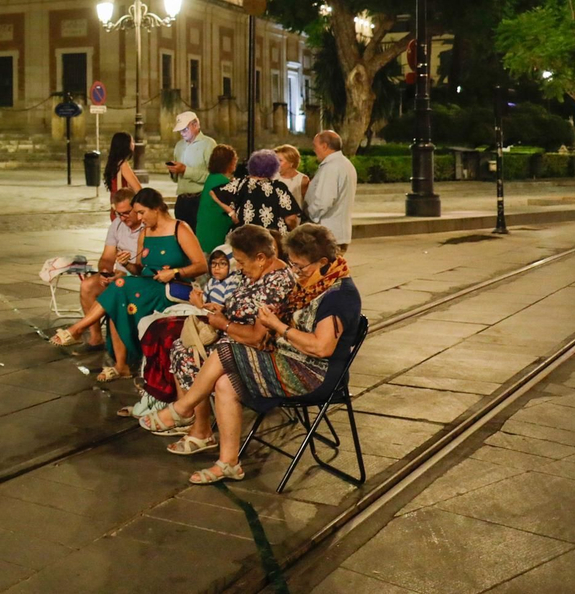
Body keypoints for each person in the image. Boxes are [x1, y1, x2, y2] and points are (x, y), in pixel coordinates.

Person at [149, 224, 357, 485]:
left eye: (300, 267)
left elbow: (321, 348)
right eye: (292, 264)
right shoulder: (313, 283)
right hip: (291, 360)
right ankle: (229, 463)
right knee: (225, 382)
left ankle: (182, 409)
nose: (294, 272)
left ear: (323, 262)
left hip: (316, 374)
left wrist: (277, 326)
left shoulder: (338, 295)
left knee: (226, 347)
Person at [51, 188, 206, 382]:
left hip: (171, 288)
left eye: (142, 212)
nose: (139, 218)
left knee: (121, 287)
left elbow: (201, 265)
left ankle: (78, 329)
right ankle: (121, 365)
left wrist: (175, 271)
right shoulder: (146, 233)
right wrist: (125, 263)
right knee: (119, 294)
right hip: (147, 285)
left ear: (156, 208)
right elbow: (139, 270)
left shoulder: (180, 228)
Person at [75, 186, 145, 347]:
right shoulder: (117, 225)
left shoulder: (146, 226)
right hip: (117, 275)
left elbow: (145, 265)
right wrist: (105, 272)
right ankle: (95, 338)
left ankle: (77, 329)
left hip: (136, 277)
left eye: (126, 213)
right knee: (88, 286)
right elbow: (107, 257)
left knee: (118, 289)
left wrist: (125, 272)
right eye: (118, 214)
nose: (122, 217)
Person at [211, 148, 300, 240]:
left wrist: (232, 213)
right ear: (274, 167)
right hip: (271, 239)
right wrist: (294, 231)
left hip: (244, 238)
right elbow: (291, 218)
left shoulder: (240, 183)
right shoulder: (278, 188)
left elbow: (214, 193)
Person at [305, 130, 358, 250]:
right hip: (338, 232)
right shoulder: (344, 164)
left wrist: (310, 216)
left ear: (324, 146)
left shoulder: (331, 167)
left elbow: (324, 201)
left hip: (328, 234)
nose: (314, 150)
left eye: (315, 146)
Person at [166, 111, 216, 229]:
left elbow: (212, 176)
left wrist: (185, 170)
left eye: (185, 129)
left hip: (200, 199)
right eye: (180, 131)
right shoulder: (179, 145)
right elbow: (176, 179)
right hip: (182, 199)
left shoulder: (208, 144)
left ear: (195, 125)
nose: (182, 133)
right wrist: (173, 171)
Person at [194, 145, 239, 252]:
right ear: (229, 162)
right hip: (216, 232)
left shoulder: (212, 178)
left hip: (204, 231)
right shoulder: (222, 182)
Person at [103, 133, 142, 220]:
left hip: (115, 209)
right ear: (125, 145)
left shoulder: (113, 163)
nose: (134, 144)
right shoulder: (123, 164)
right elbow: (138, 189)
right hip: (125, 212)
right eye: (132, 141)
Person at [274, 144, 310, 218]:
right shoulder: (272, 178)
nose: (276, 163)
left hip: (294, 222)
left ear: (291, 163)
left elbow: (307, 204)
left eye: (280, 160)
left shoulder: (302, 180)